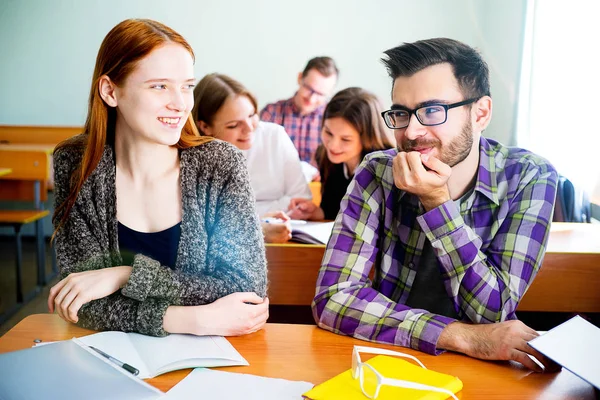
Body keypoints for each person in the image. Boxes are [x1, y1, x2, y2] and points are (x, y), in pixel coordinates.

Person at [312, 38, 561, 372]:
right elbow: (332, 299)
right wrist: (460, 336)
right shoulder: (376, 171)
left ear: (481, 113)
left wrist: (436, 202)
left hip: (487, 371)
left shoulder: (529, 176)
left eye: (432, 110)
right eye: (401, 113)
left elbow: (492, 312)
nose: (412, 132)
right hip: (391, 359)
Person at [48, 19, 268, 338]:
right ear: (110, 91)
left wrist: (125, 275)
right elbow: (80, 303)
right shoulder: (76, 163)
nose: (180, 104)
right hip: (110, 362)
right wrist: (191, 319)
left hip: (213, 367)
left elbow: (246, 292)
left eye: (187, 86)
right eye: (159, 86)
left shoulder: (220, 163)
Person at [192, 73, 312, 243]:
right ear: (204, 126)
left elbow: (300, 201)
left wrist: (244, 218)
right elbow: (208, 223)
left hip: (283, 240)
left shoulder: (274, 136)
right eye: (234, 125)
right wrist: (267, 215)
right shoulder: (195, 158)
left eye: (251, 115)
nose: (249, 129)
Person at [288, 87, 395, 221]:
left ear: (367, 138)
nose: (332, 146)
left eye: (345, 139)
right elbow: (332, 210)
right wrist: (314, 212)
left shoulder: (385, 165)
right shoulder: (325, 156)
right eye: (328, 132)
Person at [260, 56, 338, 167]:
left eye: (320, 94)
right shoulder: (271, 113)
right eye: (309, 89)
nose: (311, 99)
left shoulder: (333, 120)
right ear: (300, 78)